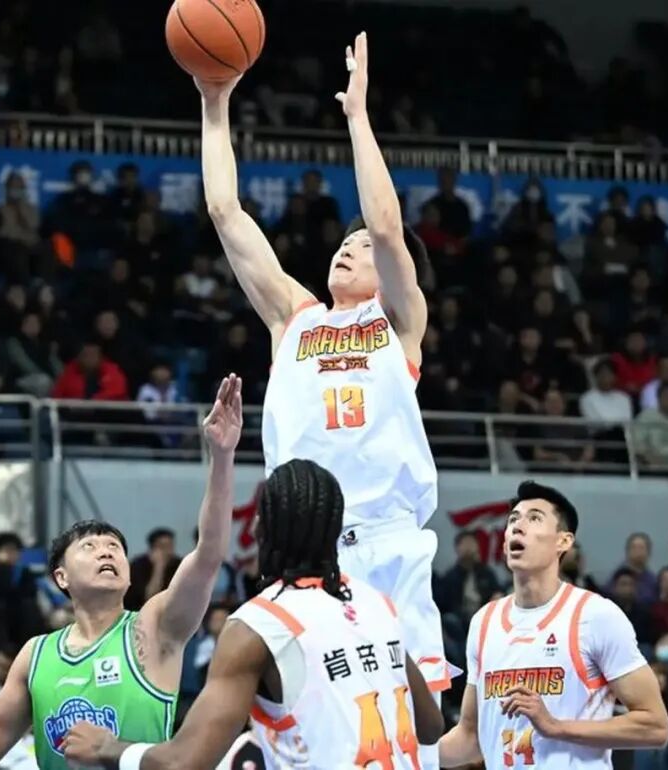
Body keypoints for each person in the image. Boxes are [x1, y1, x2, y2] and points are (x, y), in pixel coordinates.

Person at [194, 32, 448, 760]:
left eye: (362, 248)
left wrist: (358, 118)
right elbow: (226, 211)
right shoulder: (294, 318)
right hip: (304, 552)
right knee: (315, 734)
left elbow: (389, 225)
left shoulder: (399, 323)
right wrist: (215, 104)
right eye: (346, 241)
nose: (350, 246)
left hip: (387, 544)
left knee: (416, 737)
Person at [58, 459, 444, 768]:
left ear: (264, 529)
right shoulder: (376, 603)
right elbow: (430, 726)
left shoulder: (261, 624)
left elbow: (183, 762)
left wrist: (107, 747)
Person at [0, 376, 244, 770]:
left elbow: (208, 555)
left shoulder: (153, 628)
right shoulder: (36, 654)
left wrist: (222, 456)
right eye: (89, 546)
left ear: (128, 575)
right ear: (61, 577)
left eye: (115, 547)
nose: (106, 551)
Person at [438, 481, 668, 768]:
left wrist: (555, 727)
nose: (518, 526)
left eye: (534, 518)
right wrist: (408, 751)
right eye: (513, 520)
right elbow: (470, 738)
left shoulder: (595, 615)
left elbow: (655, 727)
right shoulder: (484, 622)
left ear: (564, 542)